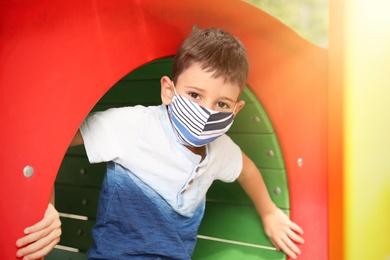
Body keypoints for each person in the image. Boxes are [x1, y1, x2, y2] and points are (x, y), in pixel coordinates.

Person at [17, 27, 304, 259]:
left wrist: (269, 213)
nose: (207, 112)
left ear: (236, 110)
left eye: (222, 103)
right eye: (194, 95)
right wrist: (46, 206)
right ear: (168, 90)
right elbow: (51, 142)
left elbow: (247, 170)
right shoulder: (134, 127)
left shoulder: (220, 150)